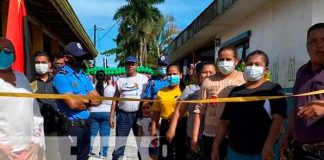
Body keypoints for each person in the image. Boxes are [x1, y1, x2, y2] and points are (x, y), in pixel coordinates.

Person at [212, 50, 288, 160]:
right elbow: (225, 121)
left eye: (257, 64)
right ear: (244, 68)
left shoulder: (273, 89)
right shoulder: (235, 92)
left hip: (261, 152)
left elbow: (278, 120)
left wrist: (268, 145)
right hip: (235, 151)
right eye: (249, 64)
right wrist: (215, 146)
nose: (252, 67)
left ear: (266, 70)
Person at [192, 46, 246, 160]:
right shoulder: (208, 81)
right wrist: (195, 136)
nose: (224, 62)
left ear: (236, 61)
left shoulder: (244, 78)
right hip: (211, 134)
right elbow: (199, 109)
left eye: (228, 59)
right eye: (221, 59)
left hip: (236, 133)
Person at [280, 23, 324, 160]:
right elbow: (297, 108)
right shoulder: (302, 72)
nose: (319, 45)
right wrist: (287, 136)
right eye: (313, 41)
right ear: (307, 46)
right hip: (300, 150)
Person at [53, 42, 101, 160]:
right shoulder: (61, 76)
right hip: (71, 127)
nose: (81, 59)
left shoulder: (83, 76)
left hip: (86, 126)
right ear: (67, 58)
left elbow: (98, 99)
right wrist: (88, 100)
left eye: (82, 56)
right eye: (78, 57)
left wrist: (81, 98)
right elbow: (73, 104)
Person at [0, 37, 45, 160]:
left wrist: (36, 141)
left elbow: (35, 112)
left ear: (14, 55)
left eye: (7, 51)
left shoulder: (22, 78)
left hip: (27, 152)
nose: (2, 53)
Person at [166, 61, 216, 160]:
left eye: (211, 72)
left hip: (215, 136)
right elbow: (179, 111)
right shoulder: (190, 89)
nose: (208, 75)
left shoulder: (220, 89)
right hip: (195, 137)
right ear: (198, 75)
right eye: (204, 72)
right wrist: (172, 128)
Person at [109, 55, 149, 160]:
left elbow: (149, 98)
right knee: (119, 145)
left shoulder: (144, 79)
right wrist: (111, 116)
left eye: (132, 63)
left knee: (142, 145)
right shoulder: (120, 80)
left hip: (139, 116)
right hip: (123, 116)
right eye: (128, 63)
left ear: (136, 65)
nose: (130, 66)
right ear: (125, 65)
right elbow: (115, 99)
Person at [151, 64, 187, 160]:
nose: (172, 76)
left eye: (174, 74)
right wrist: (153, 131)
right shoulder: (161, 92)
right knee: (165, 154)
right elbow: (156, 113)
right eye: (169, 74)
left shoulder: (186, 91)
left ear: (181, 75)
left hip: (183, 125)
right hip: (165, 125)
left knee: (180, 153)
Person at [31, 51, 60, 160]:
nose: (40, 65)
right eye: (37, 62)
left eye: (43, 62)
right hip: (36, 128)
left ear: (49, 64)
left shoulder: (57, 81)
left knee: (53, 155)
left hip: (54, 126)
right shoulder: (31, 82)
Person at [89, 71, 114, 159]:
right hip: (106, 112)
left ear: (95, 78)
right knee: (105, 135)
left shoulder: (92, 87)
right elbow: (113, 102)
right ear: (105, 78)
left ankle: (88, 151)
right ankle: (103, 154)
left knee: (92, 134)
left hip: (93, 112)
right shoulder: (110, 88)